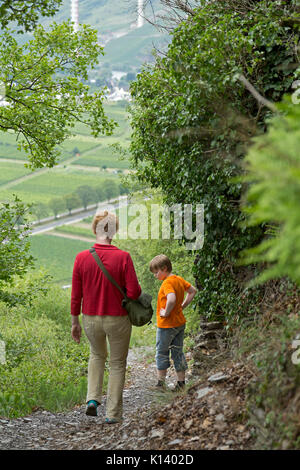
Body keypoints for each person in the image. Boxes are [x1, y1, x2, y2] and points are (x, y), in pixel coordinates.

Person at [71, 210, 141, 423]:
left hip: (91, 319)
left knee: (96, 355)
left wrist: (75, 323)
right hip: (118, 318)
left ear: (94, 229)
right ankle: (112, 414)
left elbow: (76, 295)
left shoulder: (82, 258)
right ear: (114, 231)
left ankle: (92, 399)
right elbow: (133, 293)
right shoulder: (123, 257)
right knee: (117, 363)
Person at [149, 254, 197, 391]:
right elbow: (193, 291)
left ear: (164, 268)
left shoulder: (167, 283)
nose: (155, 275)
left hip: (167, 325)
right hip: (179, 324)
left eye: (156, 272)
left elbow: (171, 299)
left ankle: (160, 384)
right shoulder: (179, 279)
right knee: (178, 352)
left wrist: (166, 312)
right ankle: (181, 383)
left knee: (162, 352)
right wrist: (182, 306)